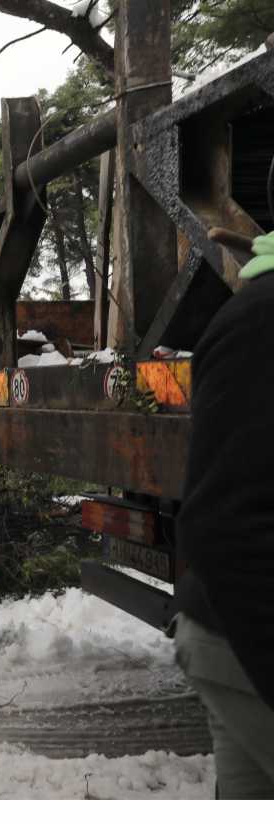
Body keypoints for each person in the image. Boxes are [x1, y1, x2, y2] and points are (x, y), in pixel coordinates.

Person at [174, 229, 274, 798]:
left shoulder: (250, 313)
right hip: (246, 636)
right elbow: (224, 524)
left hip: (231, 633)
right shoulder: (261, 323)